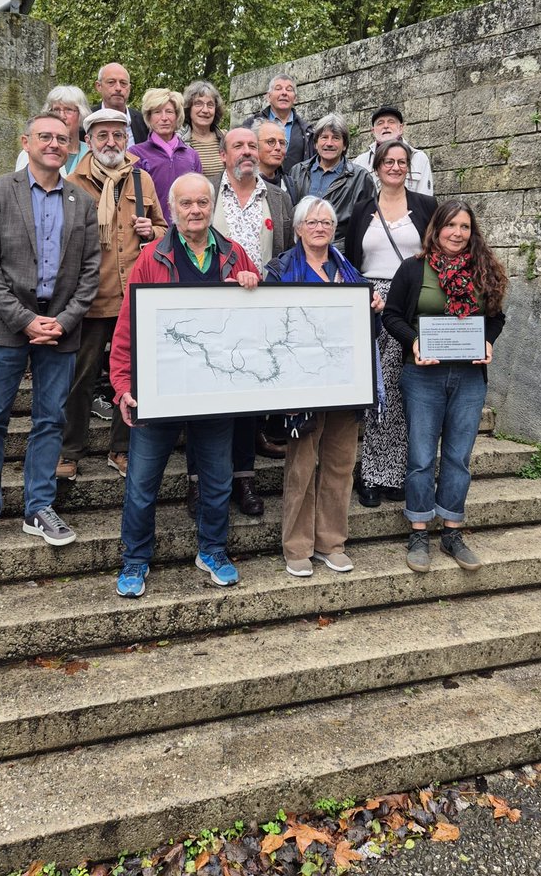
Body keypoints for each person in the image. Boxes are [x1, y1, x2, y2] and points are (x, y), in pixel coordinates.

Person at [109, 173, 260, 598]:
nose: (195, 210)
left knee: (216, 479)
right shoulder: (151, 258)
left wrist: (253, 285)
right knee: (142, 483)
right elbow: (126, 331)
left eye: (202, 203)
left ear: (212, 207)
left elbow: (257, 325)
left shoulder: (235, 255)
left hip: (215, 390)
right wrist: (122, 388)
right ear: (172, 209)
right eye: (186, 203)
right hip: (158, 390)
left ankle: (212, 550)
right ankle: (136, 559)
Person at [0, 114, 100, 557]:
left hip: (61, 326)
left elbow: (91, 271)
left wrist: (64, 319)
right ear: (27, 141)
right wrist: (24, 320)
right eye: (46, 137)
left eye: (63, 138)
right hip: (6, 325)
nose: (55, 144)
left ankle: (39, 506)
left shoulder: (82, 201)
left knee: (50, 419)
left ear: (72, 146)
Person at [383, 200, 507, 575]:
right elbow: (391, 315)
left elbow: (496, 318)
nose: (457, 233)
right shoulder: (413, 269)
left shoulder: (483, 271)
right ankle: (419, 530)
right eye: (451, 225)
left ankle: (452, 531)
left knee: (458, 457)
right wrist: (413, 342)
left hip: (469, 378)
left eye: (465, 227)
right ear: (436, 229)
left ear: (473, 232)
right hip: (423, 376)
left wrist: (488, 341)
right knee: (421, 457)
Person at [265, 196, 380, 578]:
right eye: (311, 222)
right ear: (298, 229)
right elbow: (269, 328)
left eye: (326, 223)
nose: (319, 228)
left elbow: (366, 333)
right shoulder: (281, 270)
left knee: (341, 464)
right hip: (303, 385)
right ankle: (297, 546)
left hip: (346, 383)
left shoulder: (349, 272)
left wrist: (373, 309)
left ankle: (332, 542)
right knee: (301, 465)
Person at [55, 108, 168, 482]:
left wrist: (150, 229)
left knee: (133, 378)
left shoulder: (142, 180)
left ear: (126, 140)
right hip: (92, 296)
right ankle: (70, 450)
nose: (111, 142)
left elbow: (165, 229)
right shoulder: (73, 182)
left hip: (136, 295)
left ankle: (121, 448)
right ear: (89, 140)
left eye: (118, 135)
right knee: (82, 377)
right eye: (102, 135)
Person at [186, 127, 293, 517]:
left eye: (252, 145)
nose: (247, 152)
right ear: (223, 153)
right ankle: (198, 482)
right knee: (205, 400)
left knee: (251, 398)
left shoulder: (279, 198)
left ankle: (244, 478)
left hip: (259, 313)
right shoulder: (205, 193)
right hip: (210, 311)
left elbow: (284, 253)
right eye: (239, 146)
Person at [345, 139, 437, 507]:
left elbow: (438, 254)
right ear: (377, 166)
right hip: (372, 303)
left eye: (402, 162)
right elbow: (352, 261)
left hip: (411, 302)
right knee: (377, 392)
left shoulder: (426, 207)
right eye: (389, 161)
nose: (396, 167)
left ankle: (399, 472)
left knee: (406, 392)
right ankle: (370, 474)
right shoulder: (363, 209)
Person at [288, 112, 374, 251]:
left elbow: (366, 225)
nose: (329, 143)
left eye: (336, 138)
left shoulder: (360, 178)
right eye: (324, 137)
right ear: (316, 143)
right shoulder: (298, 171)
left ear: (344, 145)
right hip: (300, 251)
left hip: (340, 253)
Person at [128, 87, 202, 224]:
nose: (164, 118)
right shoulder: (135, 154)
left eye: (169, 112)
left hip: (187, 231)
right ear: (149, 117)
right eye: (157, 112)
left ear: (177, 116)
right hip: (152, 232)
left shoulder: (192, 155)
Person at [353, 105, 434, 196]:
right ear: (373, 131)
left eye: (391, 122)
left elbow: (425, 197)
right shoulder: (360, 162)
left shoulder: (419, 158)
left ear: (400, 128)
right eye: (380, 123)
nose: (386, 126)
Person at [15, 85, 91, 177]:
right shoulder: (32, 151)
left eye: (68, 110)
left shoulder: (91, 152)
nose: (62, 116)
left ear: (81, 113)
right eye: (56, 110)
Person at [245, 73, 314, 171]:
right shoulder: (251, 125)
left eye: (289, 89)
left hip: (294, 185)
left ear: (295, 98)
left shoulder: (307, 131)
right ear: (268, 96)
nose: (284, 93)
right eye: (278, 88)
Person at [93, 63, 148, 146]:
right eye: (111, 82)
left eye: (123, 83)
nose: (118, 88)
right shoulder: (86, 119)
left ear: (129, 88)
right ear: (99, 86)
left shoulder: (143, 122)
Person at [182, 80, 225, 177]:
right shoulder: (179, 141)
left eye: (210, 105)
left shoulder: (225, 138)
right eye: (198, 104)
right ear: (189, 108)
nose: (205, 110)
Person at [251, 117, 298, 202]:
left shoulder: (290, 185)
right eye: (271, 141)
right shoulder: (244, 183)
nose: (278, 147)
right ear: (255, 145)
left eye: (282, 143)